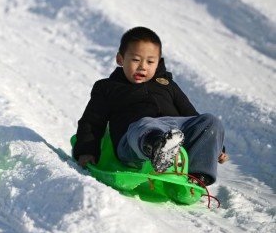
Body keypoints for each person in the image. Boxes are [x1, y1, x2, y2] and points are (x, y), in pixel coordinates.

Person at [73, 27, 228, 186]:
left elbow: (192, 115)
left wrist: (215, 145)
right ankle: (157, 147)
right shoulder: (107, 87)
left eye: (150, 61)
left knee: (210, 120)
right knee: (146, 123)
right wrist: (86, 151)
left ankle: (196, 177)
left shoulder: (167, 85)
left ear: (158, 63)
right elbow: (92, 122)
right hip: (133, 138)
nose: (142, 67)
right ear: (120, 59)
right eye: (135, 60)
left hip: (174, 132)